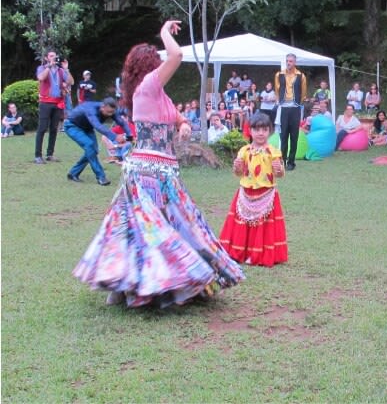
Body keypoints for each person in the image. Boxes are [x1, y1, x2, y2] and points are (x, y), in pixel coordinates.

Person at [73, 20, 245, 308]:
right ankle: (131, 286)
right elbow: (177, 55)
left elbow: (175, 116)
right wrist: (164, 31)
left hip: (162, 169)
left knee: (148, 228)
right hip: (150, 172)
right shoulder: (148, 86)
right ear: (149, 66)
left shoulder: (156, 93)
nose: (161, 66)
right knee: (150, 228)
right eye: (156, 62)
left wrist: (184, 125)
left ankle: (125, 287)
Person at [219, 112, 287, 267]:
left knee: (263, 226)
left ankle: (258, 255)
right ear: (250, 131)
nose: (260, 133)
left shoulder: (274, 151)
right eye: (257, 129)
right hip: (246, 193)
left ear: (270, 131)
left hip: (266, 193)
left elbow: (279, 174)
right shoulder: (244, 151)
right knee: (243, 224)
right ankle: (241, 253)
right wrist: (236, 167)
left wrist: (279, 169)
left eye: (264, 129)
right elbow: (239, 173)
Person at [64, 97, 132, 185]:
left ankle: (73, 173)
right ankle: (101, 177)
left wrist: (129, 136)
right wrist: (115, 137)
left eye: (112, 112)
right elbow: (98, 126)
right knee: (90, 146)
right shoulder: (90, 110)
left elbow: (121, 122)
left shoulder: (110, 111)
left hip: (87, 128)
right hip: (72, 126)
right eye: (108, 112)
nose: (110, 114)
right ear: (102, 107)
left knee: (93, 150)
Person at [35, 50, 74, 164]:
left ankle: (50, 154)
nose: (54, 58)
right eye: (51, 56)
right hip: (45, 102)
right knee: (42, 128)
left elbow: (71, 82)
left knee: (54, 129)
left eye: (55, 56)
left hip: (58, 103)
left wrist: (66, 69)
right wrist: (49, 66)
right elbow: (41, 78)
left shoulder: (61, 71)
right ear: (47, 58)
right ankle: (38, 155)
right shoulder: (42, 68)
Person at [274, 53, 307, 171]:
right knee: (283, 136)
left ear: (295, 62)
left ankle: (291, 162)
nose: (289, 63)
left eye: (291, 61)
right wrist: (280, 101)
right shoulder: (279, 74)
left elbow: (303, 92)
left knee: (294, 136)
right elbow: (277, 89)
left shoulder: (301, 76)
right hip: (283, 107)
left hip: (295, 107)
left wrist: (299, 103)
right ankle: (282, 161)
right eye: (287, 61)